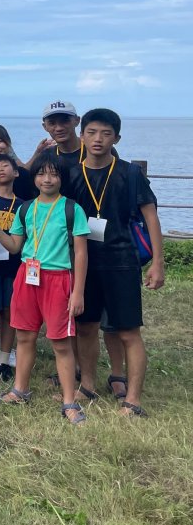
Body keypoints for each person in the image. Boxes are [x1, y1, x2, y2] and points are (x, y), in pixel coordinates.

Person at [64, 108, 165, 417]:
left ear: (116, 138)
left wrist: (158, 262)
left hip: (122, 261)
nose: (98, 139)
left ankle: (133, 400)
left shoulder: (130, 173)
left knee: (128, 331)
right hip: (83, 262)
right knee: (85, 327)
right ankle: (89, 385)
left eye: (106, 134)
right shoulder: (70, 174)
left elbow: (151, 216)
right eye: (92, 132)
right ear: (82, 136)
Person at [0, 151, 90, 424]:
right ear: (34, 178)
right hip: (27, 276)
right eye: (42, 173)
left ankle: (69, 401)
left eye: (53, 173)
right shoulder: (25, 208)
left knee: (61, 343)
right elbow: (15, 247)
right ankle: (20, 389)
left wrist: (77, 291)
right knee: (25, 337)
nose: (47, 179)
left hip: (58, 279)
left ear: (61, 178)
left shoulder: (72, 209)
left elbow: (80, 253)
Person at [0, 154, 25, 381]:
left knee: (10, 312)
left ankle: (4, 359)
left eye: (6, 166)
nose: (1, 170)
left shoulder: (23, 205)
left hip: (13, 266)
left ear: (16, 172)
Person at [35, 100, 84, 169]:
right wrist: (37, 153)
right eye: (52, 123)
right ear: (45, 127)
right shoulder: (46, 156)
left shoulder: (93, 151)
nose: (59, 128)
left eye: (65, 121)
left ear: (77, 121)